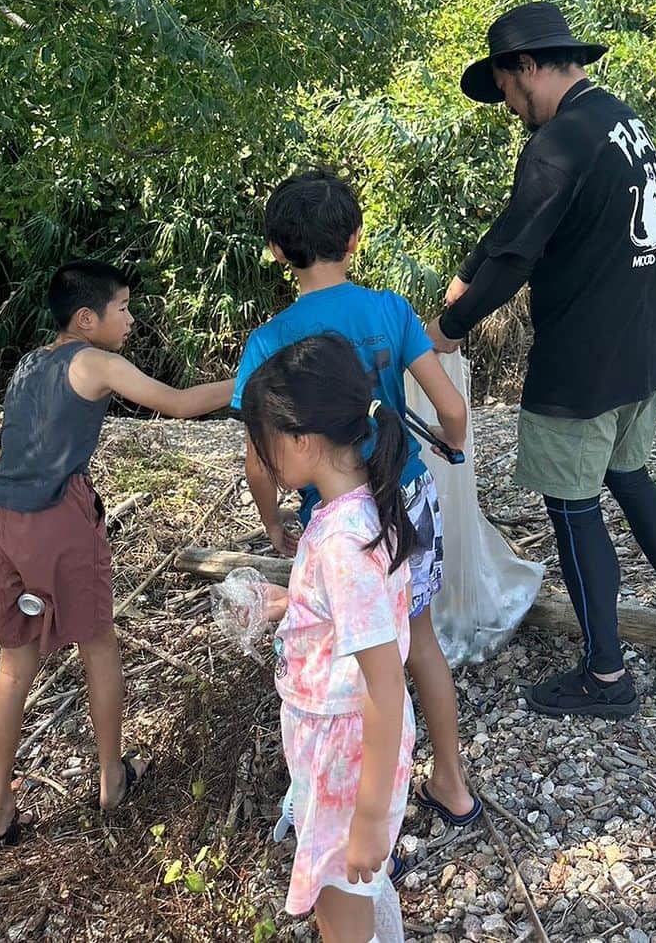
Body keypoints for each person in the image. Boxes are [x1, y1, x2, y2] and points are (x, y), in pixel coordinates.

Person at [425, 1, 656, 719]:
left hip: (584, 362)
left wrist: (449, 326)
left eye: (508, 90)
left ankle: (606, 676)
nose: (510, 107)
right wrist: (462, 278)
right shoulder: (615, 120)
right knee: (631, 477)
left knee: (574, 508)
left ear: (526, 69)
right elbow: (516, 224)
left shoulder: (555, 142)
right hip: (645, 346)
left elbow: (517, 255)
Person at [233, 170, 479, 829]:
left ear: (279, 251)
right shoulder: (391, 311)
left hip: (336, 515)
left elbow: (262, 464)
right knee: (415, 638)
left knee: (353, 665)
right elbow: (451, 410)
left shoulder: (266, 343)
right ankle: (450, 784)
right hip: (406, 497)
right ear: (355, 239)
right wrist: (452, 446)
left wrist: (274, 526)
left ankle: (355, 809)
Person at [0, 260, 234, 849]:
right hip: (59, 520)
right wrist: (252, 376)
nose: (131, 318)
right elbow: (179, 403)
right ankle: (112, 779)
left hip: (4, 518)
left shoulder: (27, 365)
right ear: (87, 318)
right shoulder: (96, 360)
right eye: (123, 308)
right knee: (97, 645)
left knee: (14, 667)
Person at [242, 334, 414, 943]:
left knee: (338, 901)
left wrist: (369, 817)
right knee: (352, 890)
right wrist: (291, 603)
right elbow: (360, 616)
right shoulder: (357, 511)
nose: (257, 457)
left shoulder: (344, 542)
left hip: (347, 746)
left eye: (260, 442)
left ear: (300, 440)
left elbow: (384, 682)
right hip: (337, 739)